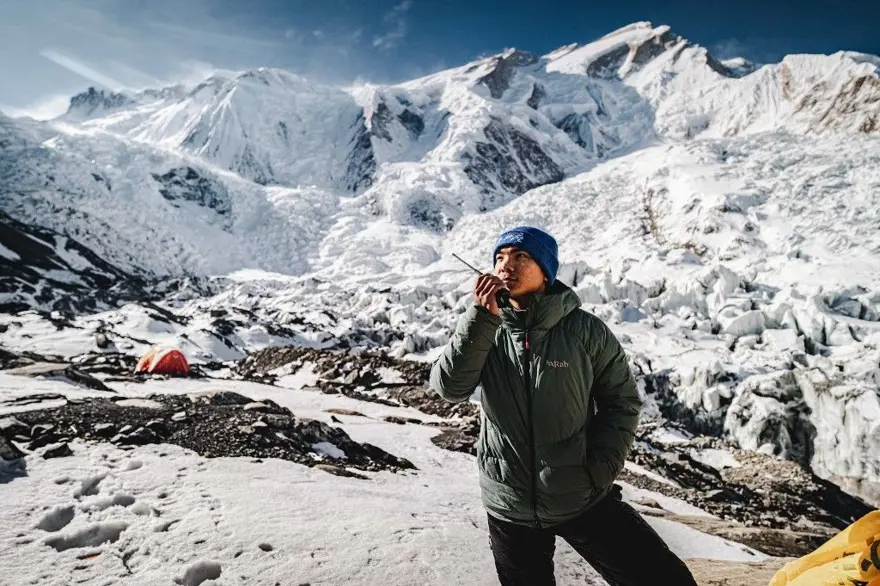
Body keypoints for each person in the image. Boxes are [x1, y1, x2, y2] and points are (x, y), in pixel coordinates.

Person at [430, 226, 698, 585]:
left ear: (546, 270)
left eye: (520, 256)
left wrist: (599, 469)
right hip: (509, 507)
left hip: (581, 496)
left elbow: (622, 400)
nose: (505, 266)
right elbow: (449, 388)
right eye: (499, 258)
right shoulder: (485, 328)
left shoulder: (585, 332)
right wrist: (482, 318)